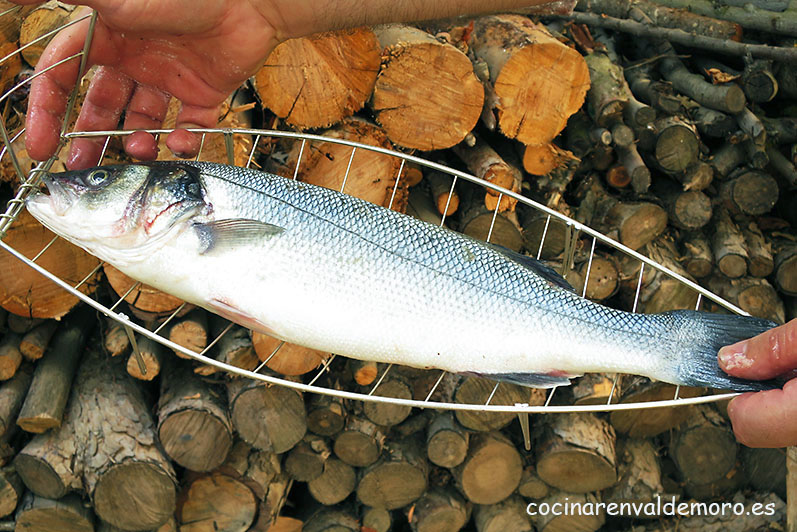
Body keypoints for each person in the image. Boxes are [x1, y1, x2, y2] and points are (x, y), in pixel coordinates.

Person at [10, 0, 797, 448]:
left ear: (171, 199)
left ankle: (667, 350)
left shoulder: (202, 210)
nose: (77, 187)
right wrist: (257, 11)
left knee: (645, 347)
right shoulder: (193, 217)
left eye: (102, 180)